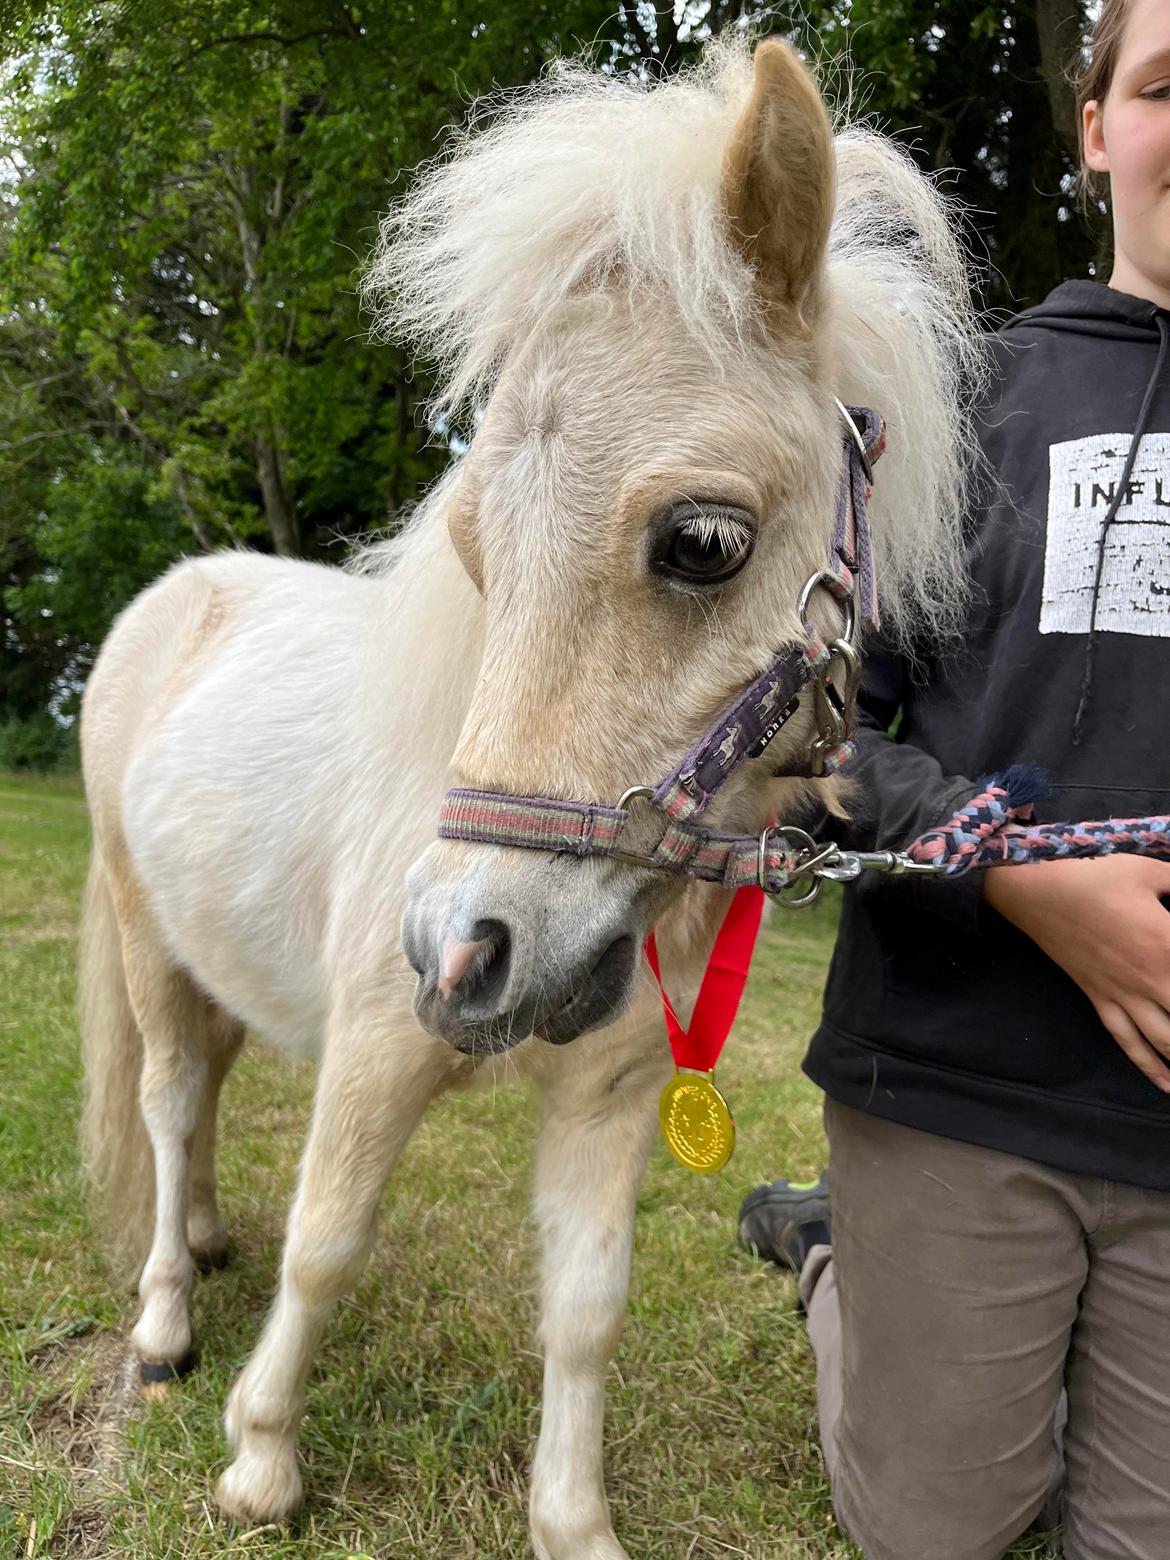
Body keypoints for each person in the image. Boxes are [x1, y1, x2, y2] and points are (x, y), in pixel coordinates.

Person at [737, 3, 1170, 1557]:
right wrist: (1021, 876)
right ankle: (831, 1261)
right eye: (1167, 86)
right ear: (1096, 130)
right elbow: (808, 721)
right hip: (952, 1080)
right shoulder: (954, 405)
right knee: (944, 1529)